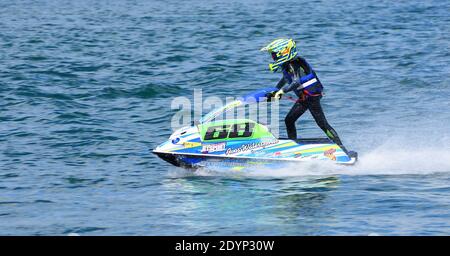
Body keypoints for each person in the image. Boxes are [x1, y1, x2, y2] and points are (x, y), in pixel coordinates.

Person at [261, 38, 351, 155]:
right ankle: (293, 146)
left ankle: (343, 150)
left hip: (311, 96)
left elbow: (296, 82)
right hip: (305, 97)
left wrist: (282, 91)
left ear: (283, 52)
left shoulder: (294, 63)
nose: (273, 58)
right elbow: (286, 78)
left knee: (322, 123)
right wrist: (276, 90)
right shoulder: (287, 64)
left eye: (274, 55)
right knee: (289, 120)